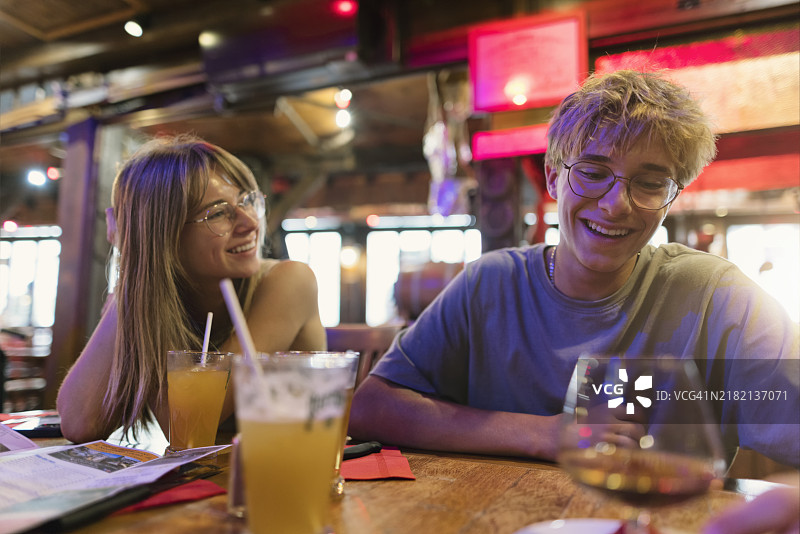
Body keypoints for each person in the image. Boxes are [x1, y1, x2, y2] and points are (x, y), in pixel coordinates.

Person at [348, 70, 799, 468]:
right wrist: (543, 434)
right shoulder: (490, 285)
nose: (616, 204)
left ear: (670, 198)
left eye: (649, 182)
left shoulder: (716, 296)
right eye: (593, 172)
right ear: (552, 177)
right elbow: (371, 407)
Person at [57, 135, 326, 444]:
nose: (251, 223)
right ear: (163, 235)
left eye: (247, 201)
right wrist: (138, 268)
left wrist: (137, 257)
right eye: (218, 213)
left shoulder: (290, 281)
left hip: (292, 463)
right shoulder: (162, 296)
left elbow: (186, 423)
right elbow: (80, 423)